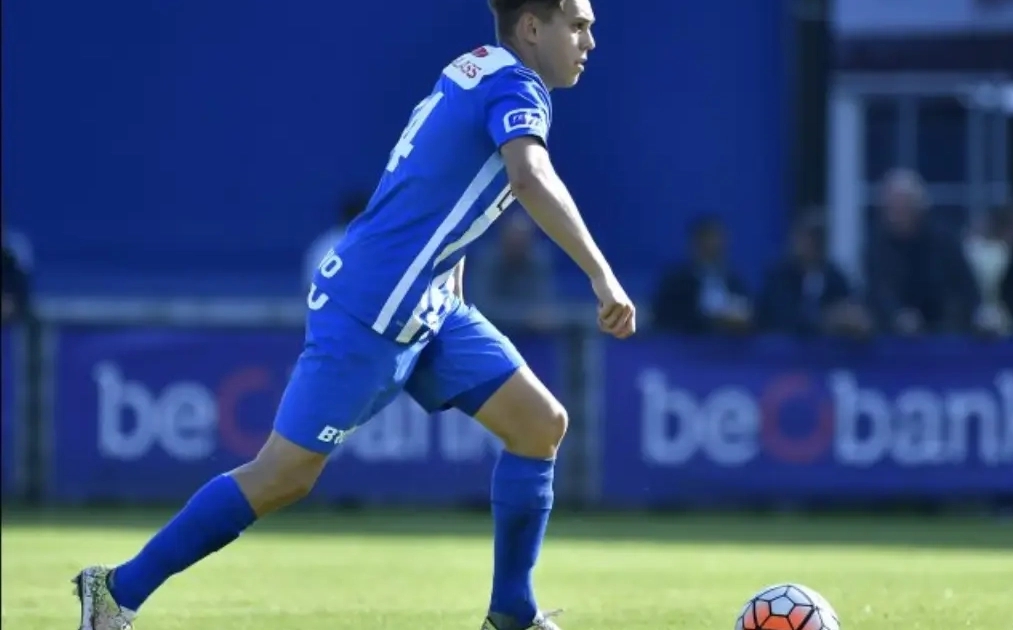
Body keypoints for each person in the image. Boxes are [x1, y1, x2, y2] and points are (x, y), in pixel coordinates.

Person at [72, 2, 629, 630]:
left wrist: (453, 273)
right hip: (370, 308)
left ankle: (512, 614)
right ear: (531, 27)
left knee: (539, 424)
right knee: (283, 475)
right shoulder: (515, 85)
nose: (589, 41)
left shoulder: (476, 68)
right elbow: (529, 177)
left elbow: (440, 184)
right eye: (577, 25)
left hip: (428, 303)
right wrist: (601, 275)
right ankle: (115, 590)